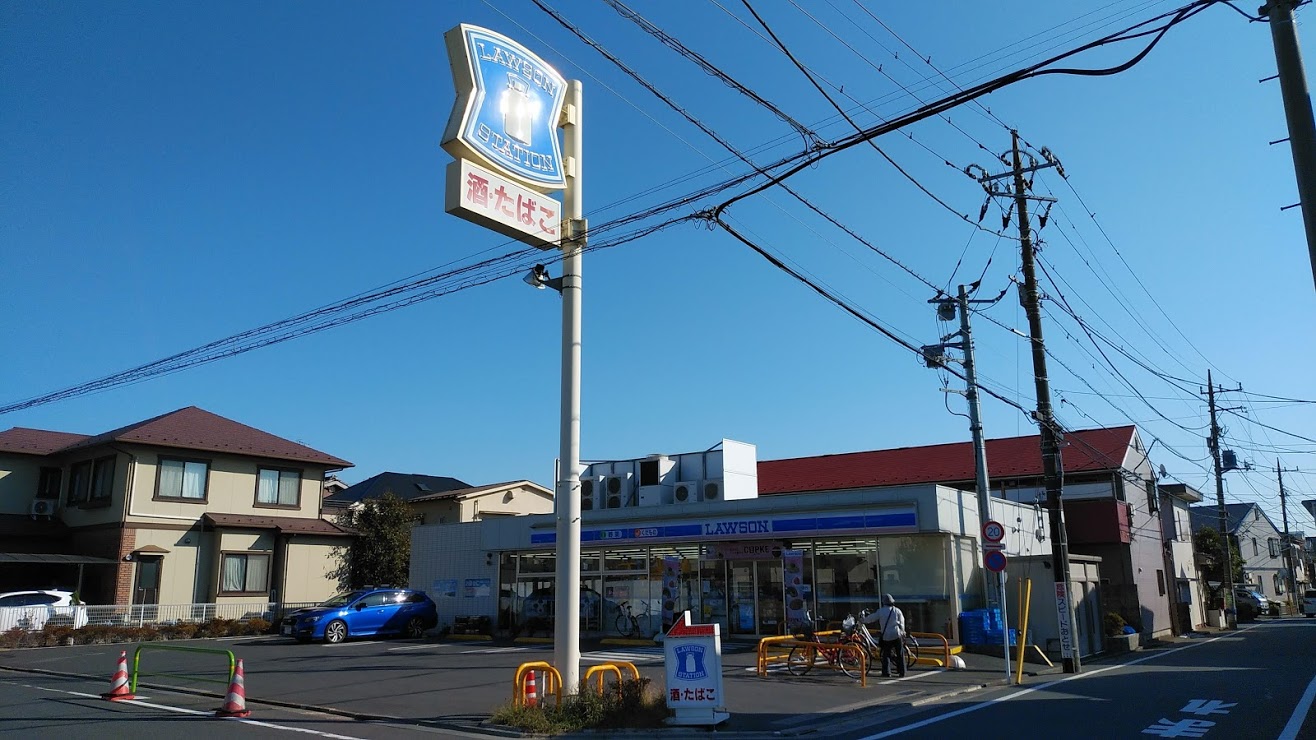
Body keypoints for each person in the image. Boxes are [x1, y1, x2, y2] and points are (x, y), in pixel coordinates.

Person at [862, 593, 906, 677]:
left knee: (886, 654)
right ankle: (902, 671)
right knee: (900, 654)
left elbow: (872, 618)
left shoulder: (881, 611)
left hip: (886, 636)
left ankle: (886, 672)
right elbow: (902, 622)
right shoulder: (897, 610)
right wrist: (902, 632)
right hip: (897, 634)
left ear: (884, 602)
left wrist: (863, 620)